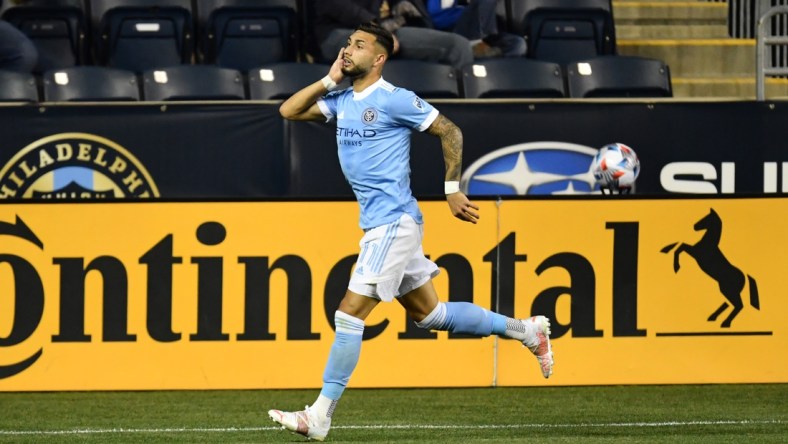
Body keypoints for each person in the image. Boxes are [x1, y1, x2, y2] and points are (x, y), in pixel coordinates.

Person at [268, 22, 554, 442]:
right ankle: (527, 331)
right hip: (382, 224)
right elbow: (287, 111)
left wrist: (452, 189)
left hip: (393, 223)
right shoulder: (342, 100)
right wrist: (329, 78)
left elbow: (450, 130)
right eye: (347, 43)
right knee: (431, 315)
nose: (349, 50)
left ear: (379, 58)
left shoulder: (394, 100)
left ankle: (320, 415)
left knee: (349, 313)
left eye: (359, 46)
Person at [313, 0, 474, 70]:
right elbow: (334, 4)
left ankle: (460, 122)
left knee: (458, 46)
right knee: (372, 45)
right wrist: (376, 28)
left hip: (387, 30)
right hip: (337, 33)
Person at [426, 0, 526, 58]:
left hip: (485, 34)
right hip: (456, 34)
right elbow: (437, 20)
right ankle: (477, 47)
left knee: (518, 44)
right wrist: (467, 13)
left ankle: (490, 60)